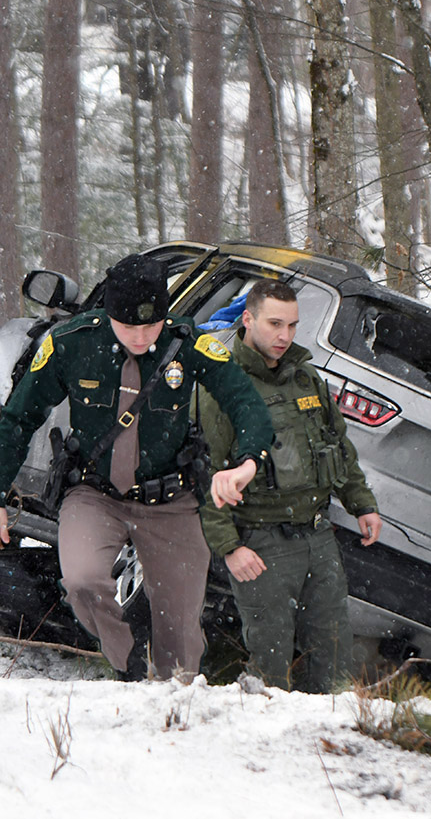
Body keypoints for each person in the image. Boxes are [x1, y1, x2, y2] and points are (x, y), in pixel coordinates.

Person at [0, 253, 273, 680]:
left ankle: (171, 698)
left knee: (180, 635)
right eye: (130, 326)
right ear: (109, 312)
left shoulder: (187, 343)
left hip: (171, 499)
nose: (143, 336)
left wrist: (248, 461)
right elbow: (17, 419)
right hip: (93, 494)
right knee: (84, 582)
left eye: (152, 325)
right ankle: (128, 665)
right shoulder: (71, 343)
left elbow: (245, 402)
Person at [197, 280, 382, 693]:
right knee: (270, 664)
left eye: (293, 326)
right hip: (261, 541)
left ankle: (328, 749)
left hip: (318, 535)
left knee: (334, 656)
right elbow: (205, 473)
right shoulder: (224, 385)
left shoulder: (306, 379)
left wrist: (361, 503)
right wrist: (230, 547)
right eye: (274, 324)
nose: (284, 336)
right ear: (247, 319)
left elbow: (337, 445)